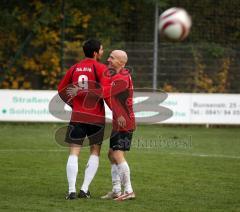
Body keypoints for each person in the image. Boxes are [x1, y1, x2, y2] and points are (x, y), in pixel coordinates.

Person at [58, 39, 107, 200]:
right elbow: (105, 90)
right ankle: (84, 189)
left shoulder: (74, 68)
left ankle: (71, 191)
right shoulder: (100, 68)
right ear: (95, 53)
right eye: (101, 50)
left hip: (78, 115)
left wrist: (73, 104)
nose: (102, 52)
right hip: (96, 117)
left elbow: (61, 90)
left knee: (74, 152)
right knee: (95, 151)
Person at [100, 50, 136, 201]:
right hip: (120, 120)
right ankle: (116, 190)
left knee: (117, 154)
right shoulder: (118, 76)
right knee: (111, 154)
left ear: (121, 62)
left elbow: (112, 95)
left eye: (112, 58)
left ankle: (128, 190)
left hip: (123, 120)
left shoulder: (121, 77)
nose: (108, 60)